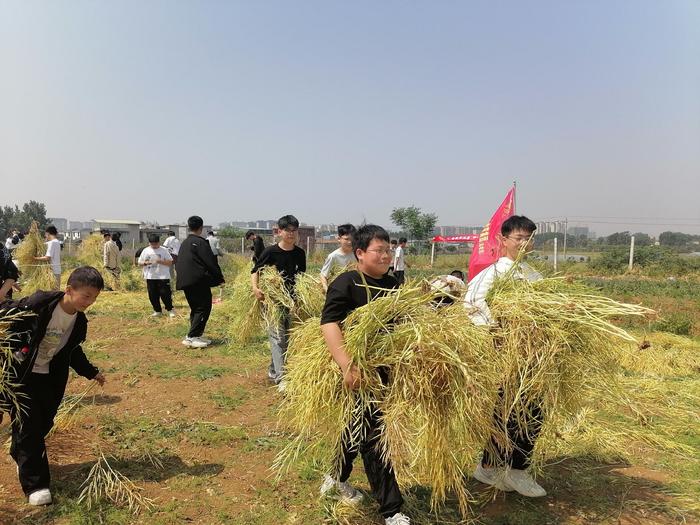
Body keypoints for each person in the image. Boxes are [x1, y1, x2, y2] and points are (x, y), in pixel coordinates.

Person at [319, 224, 409, 525]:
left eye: (388, 250)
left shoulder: (394, 284)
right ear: (360, 252)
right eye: (379, 250)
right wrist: (348, 365)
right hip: (358, 371)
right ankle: (391, 510)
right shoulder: (347, 283)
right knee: (375, 437)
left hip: (388, 372)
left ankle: (335, 476)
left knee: (357, 425)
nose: (386, 255)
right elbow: (329, 324)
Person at [0, 266, 106, 506]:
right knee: (29, 427)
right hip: (21, 373)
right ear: (69, 289)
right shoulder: (39, 304)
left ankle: (21, 454)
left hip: (50, 378)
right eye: (86, 295)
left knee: (44, 422)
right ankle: (35, 484)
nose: (90, 302)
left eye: (94, 298)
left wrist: (91, 372)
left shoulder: (79, 322)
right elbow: (8, 315)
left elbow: (73, 351)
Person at [464, 215, 546, 498]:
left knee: (532, 412)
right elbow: (472, 306)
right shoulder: (493, 274)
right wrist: (498, 332)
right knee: (505, 413)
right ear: (503, 240)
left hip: (534, 358)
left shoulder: (533, 275)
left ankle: (515, 469)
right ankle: (493, 467)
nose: (524, 244)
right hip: (505, 357)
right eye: (519, 238)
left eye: (529, 238)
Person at [251, 215, 306, 389]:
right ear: (279, 231)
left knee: (287, 339)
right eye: (287, 230)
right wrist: (255, 288)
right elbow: (255, 271)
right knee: (277, 338)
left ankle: (274, 369)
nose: (291, 234)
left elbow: (301, 278)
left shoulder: (299, 253)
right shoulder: (270, 252)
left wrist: (300, 300)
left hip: (292, 302)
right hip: (273, 302)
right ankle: (282, 379)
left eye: (294, 230)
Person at [176, 216, 225, 348]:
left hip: (185, 280)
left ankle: (197, 334)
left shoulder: (185, 243)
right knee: (203, 307)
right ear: (201, 228)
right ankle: (191, 337)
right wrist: (220, 278)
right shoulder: (201, 242)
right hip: (197, 281)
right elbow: (210, 262)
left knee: (196, 308)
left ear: (188, 227)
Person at [138, 234, 176, 318]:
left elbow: (170, 262)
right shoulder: (146, 250)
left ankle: (170, 309)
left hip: (163, 276)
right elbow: (139, 262)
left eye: (156, 244)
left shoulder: (164, 250)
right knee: (152, 295)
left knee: (165, 294)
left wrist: (160, 261)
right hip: (150, 276)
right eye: (152, 244)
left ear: (159, 242)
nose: (154, 246)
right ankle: (157, 310)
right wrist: (145, 263)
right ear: (149, 243)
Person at [320, 224, 356, 292]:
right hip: (339, 289)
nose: (350, 242)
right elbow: (323, 275)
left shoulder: (358, 254)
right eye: (346, 239)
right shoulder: (333, 256)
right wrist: (327, 291)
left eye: (352, 239)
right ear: (339, 239)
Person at [34, 226, 61, 290]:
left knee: (53, 293)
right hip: (56, 270)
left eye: (45, 235)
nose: (45, 236)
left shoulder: (52, 243)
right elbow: (44, 244)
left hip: (53, 272)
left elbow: (47, 258)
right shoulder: (56, 242)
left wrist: (35, 258)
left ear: (48, 233)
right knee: (55, 292)